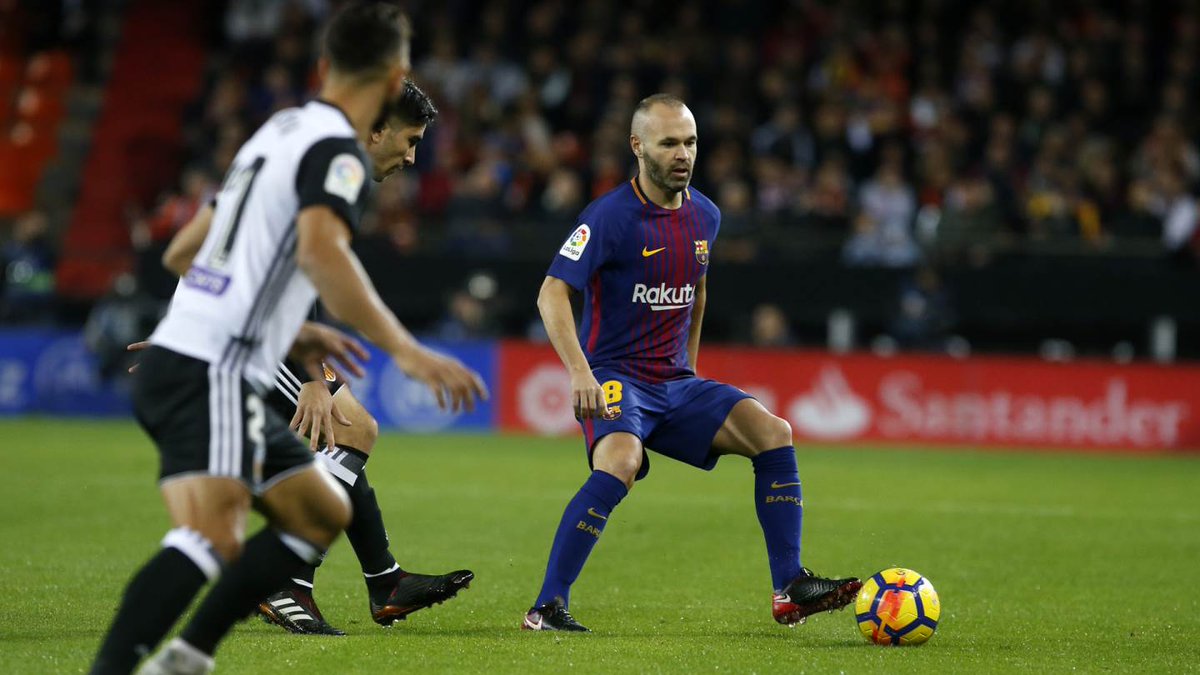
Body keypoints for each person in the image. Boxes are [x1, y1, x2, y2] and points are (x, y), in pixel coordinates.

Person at [90, 6, 487, 674]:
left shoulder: (280, 129)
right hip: (212, 367)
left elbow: (184, 250)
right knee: (208, 535)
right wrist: (409, 351)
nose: (412, 155)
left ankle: (187, 655)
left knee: (316, 510)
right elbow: (322, 256)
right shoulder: (339, 154)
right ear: (394, 76)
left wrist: (271, 324)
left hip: (207, 353)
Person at [522, 94, 860, 633]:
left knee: (773, 433)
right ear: (638, 147)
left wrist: (691, 372)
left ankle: (789, 586)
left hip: (674, 383)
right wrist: (580, 372)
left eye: (691, 142)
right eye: (669, 142)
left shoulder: (707, 214)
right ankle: (547, 607)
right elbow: (551, 294)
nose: (683, 154)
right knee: (621, 464)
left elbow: (696, 293)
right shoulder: (607, 217)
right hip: (615, 377)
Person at [157, 81, 473, 637]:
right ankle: (287, 580)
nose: (412, 156)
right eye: (410, 140)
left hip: (256, 320)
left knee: (354, 431)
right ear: (377, 129)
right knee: (350, 432)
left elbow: (243, 257)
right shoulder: (335, 165)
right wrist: (325, 370)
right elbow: (310, 264)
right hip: (245, 328)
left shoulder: (304, 143)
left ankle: (383, 580)